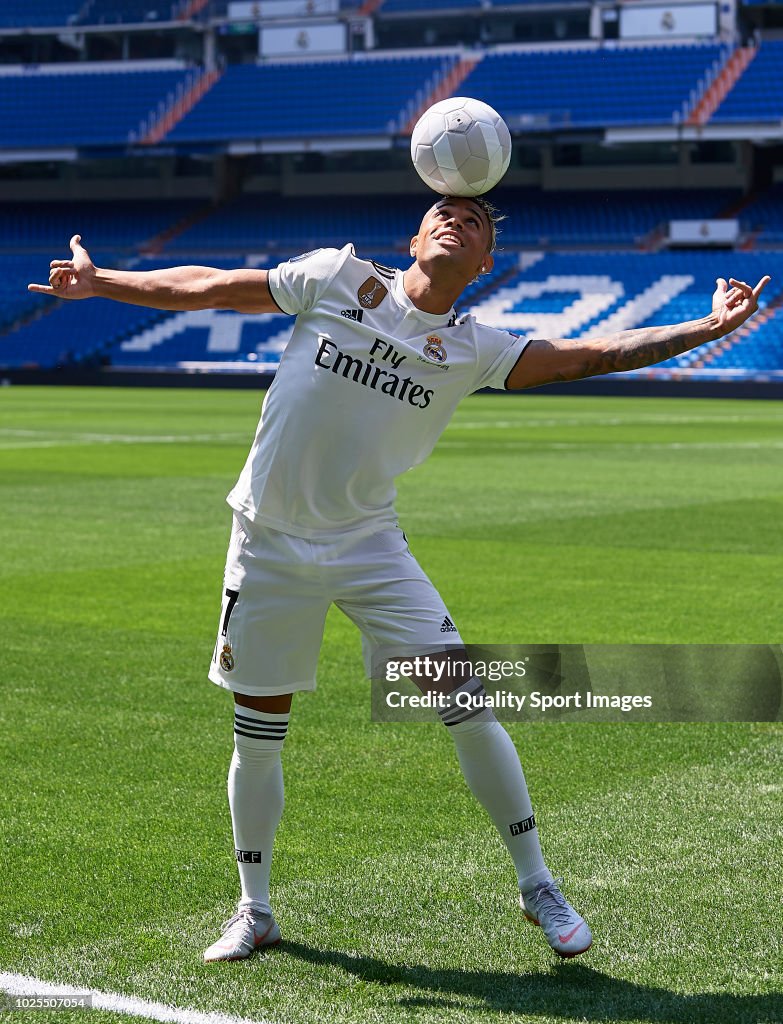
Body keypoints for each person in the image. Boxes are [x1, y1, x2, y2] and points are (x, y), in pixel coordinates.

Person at [29, 196, 770, 963]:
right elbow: (211, 286)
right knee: (259, 732)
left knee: (468, 706)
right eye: (443, 211)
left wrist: (707, 329)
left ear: (485, 264)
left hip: (369, 545)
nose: (458, 220)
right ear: (413, 238)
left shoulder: (476, 347)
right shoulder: (334, 278)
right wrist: (104, 281)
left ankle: (537, 885)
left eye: (477, 221)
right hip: (268, 541)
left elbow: (592, 352)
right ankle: (254, 909)